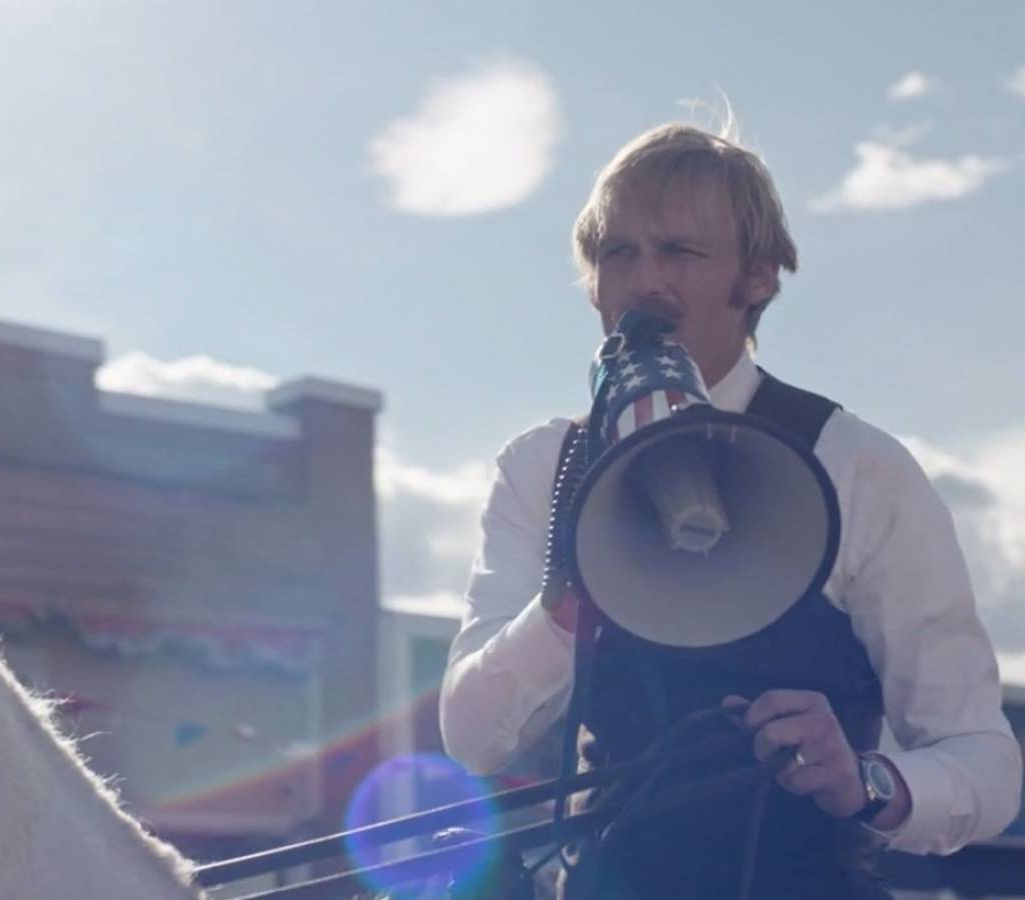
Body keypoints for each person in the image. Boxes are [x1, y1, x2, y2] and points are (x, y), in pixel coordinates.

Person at [438, 120, 1023, 898]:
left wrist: (868, 782)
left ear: (758, 279)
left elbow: (983, 760)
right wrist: (564, 610)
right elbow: (472, 738)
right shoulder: (542, 466)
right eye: (619, 252)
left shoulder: (860, 466)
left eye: (679, 251)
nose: (645, 280)